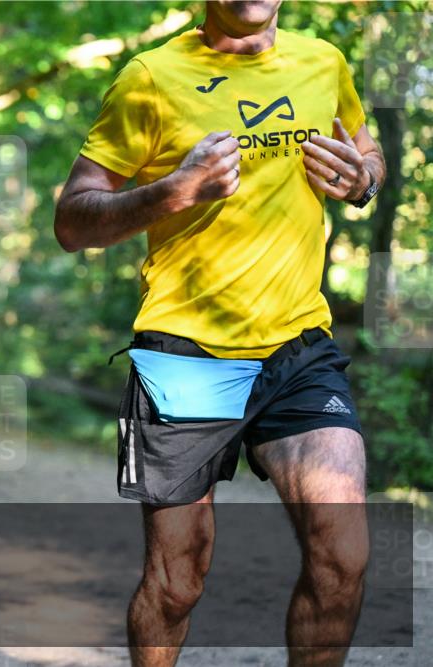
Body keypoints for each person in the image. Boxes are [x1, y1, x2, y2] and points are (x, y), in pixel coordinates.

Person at [53, 2, 386, 666]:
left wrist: (363, 180)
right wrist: (173, 190)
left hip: (298, 347)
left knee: (342, 558)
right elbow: (72, 220)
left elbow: (366, 150)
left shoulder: (325, 62)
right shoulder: (150, 76)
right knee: (177, 584)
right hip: (183, 353)